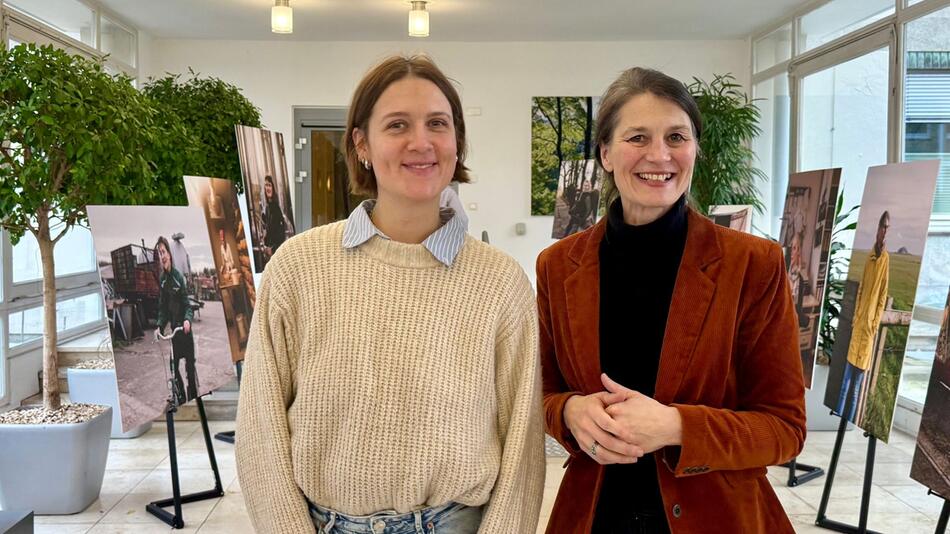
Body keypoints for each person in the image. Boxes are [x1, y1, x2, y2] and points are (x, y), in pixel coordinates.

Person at [235, 54, 544, 534]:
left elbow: (523, 442)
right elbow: (260, 430)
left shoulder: (499, 282)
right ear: (362, 143)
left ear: (457, 141)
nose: (420, 142)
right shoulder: (298, 267)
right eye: (397, 124)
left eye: (437, 124)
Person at [537, 67, 806, 534]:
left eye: (676, 136)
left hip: (719, 517)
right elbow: (541, 394)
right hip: (594, 515)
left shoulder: (753, 264)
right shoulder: (557, 266)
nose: (659, 155)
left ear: (695, 150)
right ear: (604, 153)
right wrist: (568, 412)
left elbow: (784, 429)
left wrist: (676, 427)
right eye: (637, 137)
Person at [836, 211, 890, 423]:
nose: (884, 230)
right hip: (857, 327)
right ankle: (836, 421)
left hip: (868, 331)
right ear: (877, 228)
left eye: (887, 227)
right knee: (844, 385)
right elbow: (860, 290)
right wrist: (858, 316)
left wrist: (874, 323)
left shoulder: (885, 259)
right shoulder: (869, 257)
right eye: (882, 226)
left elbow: (883, 294)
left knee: (856, 389)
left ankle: (848, 428)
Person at [154, 236, 198, 405]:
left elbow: (187, 305)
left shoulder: (179, 277)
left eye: (164, 251)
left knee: (189, 369)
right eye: (159, 253)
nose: (162, 256)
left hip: (185, 332)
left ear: (169, 254)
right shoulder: (163, 280)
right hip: (174, 333)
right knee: (173, 369)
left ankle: (193, 396)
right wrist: (159, 326)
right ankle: (181, 399)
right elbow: (163, 308)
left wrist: (187, 320)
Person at [262, 174, 287, 259]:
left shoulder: (276, 207)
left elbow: (281, 233)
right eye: (266, 185)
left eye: (269, 185)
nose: (268, 188)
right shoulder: (267, 208)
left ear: (272, 187)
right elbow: (268, 231)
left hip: (276, 252)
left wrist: (273, 249)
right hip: (270, 251)